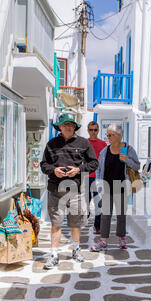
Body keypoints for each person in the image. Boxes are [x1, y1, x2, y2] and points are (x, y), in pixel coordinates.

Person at [40, 112, 98, 268]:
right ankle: (53, 254)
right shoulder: (51, 144)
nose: (68, 127)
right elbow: (44, 165)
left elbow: (94, 163)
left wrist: (78, 170)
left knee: (75, 223)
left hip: (75, 191)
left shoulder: (83, 143)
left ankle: (76, 249)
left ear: (75, 128)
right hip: (55, 191)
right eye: (66, 125)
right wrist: (54, 170)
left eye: (71, 125)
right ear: (60, 127)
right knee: (56, 223)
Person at [90, 123, 140, 251]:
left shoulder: (128, 149)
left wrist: (127, 160)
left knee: (121, 214)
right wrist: (99, 185)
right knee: (105, 215)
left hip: (122, 186)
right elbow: (100, 170)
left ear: (119, 135)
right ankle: (103, 241)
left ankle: (121, 238)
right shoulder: (105, 151)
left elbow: (137, 166)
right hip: (107, 186)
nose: (108, 137)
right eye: (107, 135)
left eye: (110, 135)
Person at [87, 121, 107, 233]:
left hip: (98, 178)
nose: (93, 132)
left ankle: (97, 226)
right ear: (88, 131)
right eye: (91, 130)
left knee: (99, 203)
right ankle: (84, 219)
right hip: (86, 177)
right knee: (85, 203)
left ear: (98, 130)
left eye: (95, 130)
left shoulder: (103, 144)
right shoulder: (84, 143)